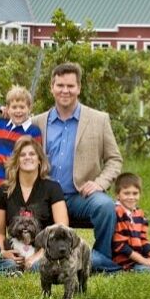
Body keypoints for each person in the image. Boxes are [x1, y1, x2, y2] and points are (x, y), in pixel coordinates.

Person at [32, 62, 123, 271]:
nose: (65, 90)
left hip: (80, 196)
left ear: (79, 88)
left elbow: (114, 159)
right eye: (60, 85)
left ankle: (100, 260)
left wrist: (100, 183)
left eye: (70, 86)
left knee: (105, 206)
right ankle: (29, 256)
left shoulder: (99, 120)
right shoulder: (37, 122)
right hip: (46, 198)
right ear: (52, 87)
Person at [0, 135, 69, 271]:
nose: (27, 157)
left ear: (39, 160)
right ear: (17, 161)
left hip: (46, 251)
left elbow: (61, 229)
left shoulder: (53, 188)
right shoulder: (3, 191)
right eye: (22, 155)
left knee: (37, 267)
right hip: (15, 251)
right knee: (8, 265)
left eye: (32, 154)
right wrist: (3, 252)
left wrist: (38, 256)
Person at [0, 85, 42, 198]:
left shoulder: (33, 132)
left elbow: (35, 160)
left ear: (29, 108)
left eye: (22, 107)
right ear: (7, 109)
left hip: (16, 187)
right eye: (14, 107)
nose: (18, 111)